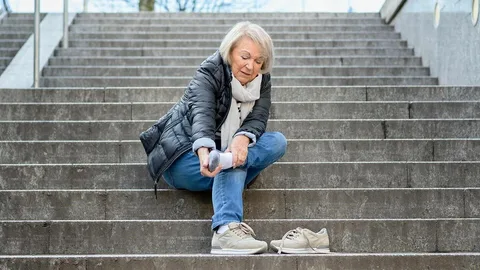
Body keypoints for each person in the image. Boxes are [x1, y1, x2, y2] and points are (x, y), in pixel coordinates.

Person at [140, 21, 287, 255]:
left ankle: (228, 163)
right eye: (245, 57)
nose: (251, 66)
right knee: (232, 162)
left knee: (277, 142)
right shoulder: (210, 72)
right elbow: (202, 114)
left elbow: (258, 118)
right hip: (184, 158)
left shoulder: (262, 81)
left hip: (222, 153)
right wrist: (204, 151)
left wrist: (242, 139)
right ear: (230, 51)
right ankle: (226, 229)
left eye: (259, 61)